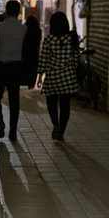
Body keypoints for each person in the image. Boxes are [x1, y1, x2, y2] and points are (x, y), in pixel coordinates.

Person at [0, 0, 27, 140]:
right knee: (14, 99)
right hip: (16, 66)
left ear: (6, 12)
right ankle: (13, 131)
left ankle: (0, 119)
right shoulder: (23, 29)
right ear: (19, 13)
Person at [36, 12, 79, 141]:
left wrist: (39, 76)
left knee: (51, 103)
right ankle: (62, 130)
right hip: (67, 76)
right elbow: (76, 59)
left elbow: (43, 59)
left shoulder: (49, 39)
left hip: (52, 77)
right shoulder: (72, 38)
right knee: (65, 105)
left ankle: (55, 125)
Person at [21, 16, 42, 89]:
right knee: (33, 69)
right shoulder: (38, 31)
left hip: (25, 52)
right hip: (34, 53)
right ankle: (31, 84)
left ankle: (25, 81)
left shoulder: (24, 30)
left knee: (26, 68)